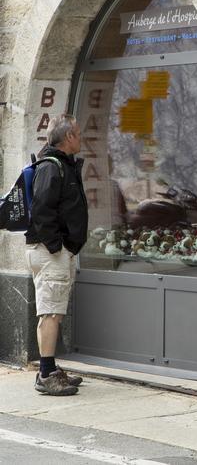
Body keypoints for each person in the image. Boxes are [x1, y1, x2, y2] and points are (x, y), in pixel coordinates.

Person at [25, 114, 88, 396]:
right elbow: (41, 211)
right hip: (50, 251)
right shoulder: (52, 167)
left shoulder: (62, 165)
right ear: (69, 138)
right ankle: (45, 375)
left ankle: (50, 369)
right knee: (50, 313)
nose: (81, 137)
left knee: (54, 312)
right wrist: (56, 246)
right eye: (78, 132)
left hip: (55, 251)